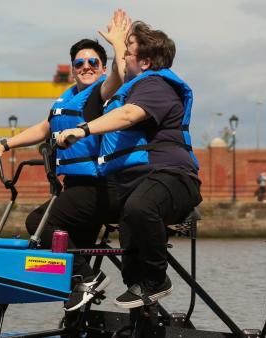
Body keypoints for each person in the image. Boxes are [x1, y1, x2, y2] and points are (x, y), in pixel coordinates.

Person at [0, 9, 130, 312]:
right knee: (62, 244)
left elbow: (120, 75)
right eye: (80, 63)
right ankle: (78, 305)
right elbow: (44, 127)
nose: (86, 66)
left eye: (93, 62)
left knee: (38, 223)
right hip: (78, 187)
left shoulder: (102, 93)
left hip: (103, 186)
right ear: (73, 69)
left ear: (102, 68)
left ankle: (88, 279)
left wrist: (119, 45)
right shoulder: (64, 101)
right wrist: (4, 144)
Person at [57, 20, 203, 309]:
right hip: (139, 183)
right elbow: (124, 75)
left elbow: (127, 115)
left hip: (174, 177)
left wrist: (82, 130)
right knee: (131, 266)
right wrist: (117, 42)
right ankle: (144, 312)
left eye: (128, 53)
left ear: (146, 62)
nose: (122, 57)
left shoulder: (157, 85)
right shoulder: (137, 82)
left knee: (140, 208)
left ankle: (158, 279)